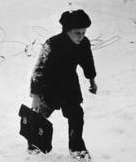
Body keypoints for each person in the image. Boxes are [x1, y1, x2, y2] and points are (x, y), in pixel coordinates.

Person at [29, 10, 97, 159]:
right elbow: (38, 70)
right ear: (66, 31)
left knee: (77, 116)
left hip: (70, 85)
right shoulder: (51, 44)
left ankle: (77, 148)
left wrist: (92, 79)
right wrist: (35, 96)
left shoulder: (83, 43)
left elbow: (87, 61)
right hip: (49, 87)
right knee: (40, 117)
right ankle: (34, 145)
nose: (81, 36)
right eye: (77, 33)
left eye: (84, 32)